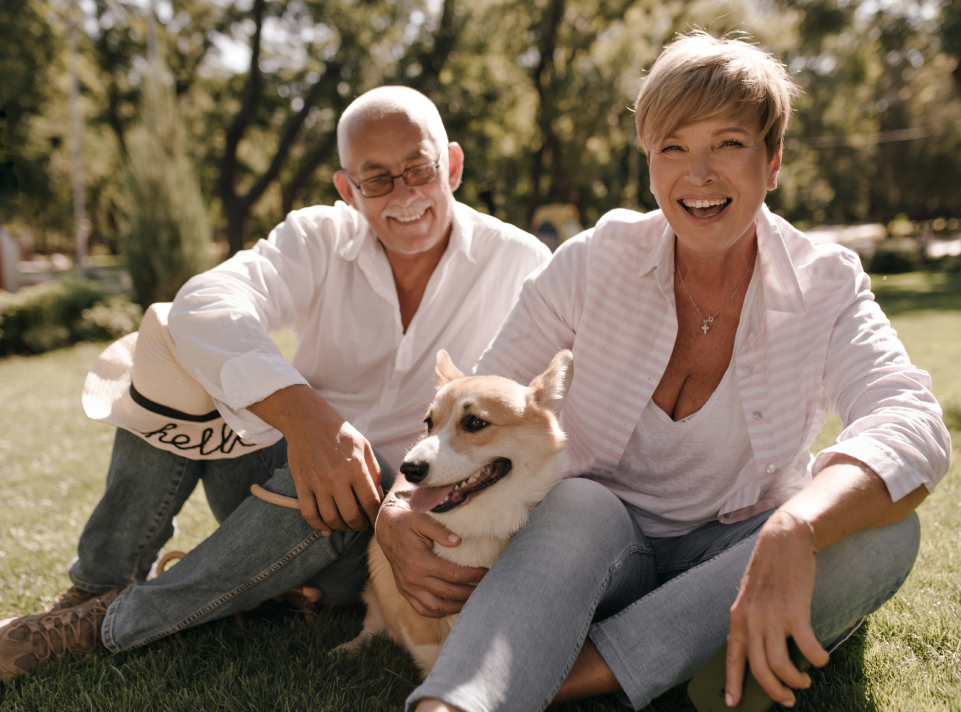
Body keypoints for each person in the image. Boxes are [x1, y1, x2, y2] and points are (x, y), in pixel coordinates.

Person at [403, 33, 951, 712]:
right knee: (577, 501)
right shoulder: (592, 261)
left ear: (771, 160)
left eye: (727, 143)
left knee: (883, 530)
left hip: (738, 555)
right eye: (673, 147)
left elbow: (909, 420)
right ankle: (460, 702)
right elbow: (476, 399)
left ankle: (574, 678)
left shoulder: (824, 282)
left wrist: (794, 528)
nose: (699, 174)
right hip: (598, 550)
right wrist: (396, 512)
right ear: (650, 163)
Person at [0, 86, 550, 681]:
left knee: (337, 482)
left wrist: (391, 500)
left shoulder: (519, 263)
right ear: (348, 189)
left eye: (421, 168)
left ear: (454, 165)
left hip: (399, 531)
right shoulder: (316, 236)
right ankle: (95, 586)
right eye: (378, 179)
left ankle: (102, 625)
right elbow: (201, 305)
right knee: (169, 358)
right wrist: (311, 422)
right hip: (282, 477)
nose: (406, 194)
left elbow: (535, 420)